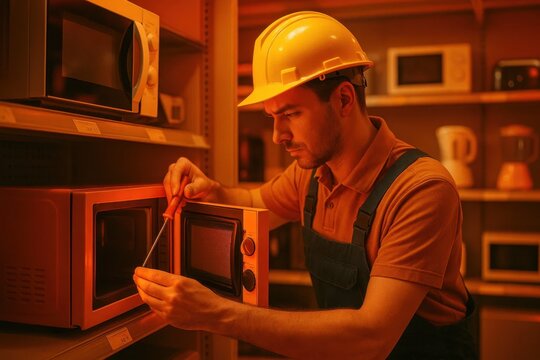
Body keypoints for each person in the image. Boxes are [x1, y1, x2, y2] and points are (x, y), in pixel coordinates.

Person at [133, 11, 476, 359]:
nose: (278, 136)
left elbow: (372, 338)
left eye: (290, 115)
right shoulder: (311, 173)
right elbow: (252, 201)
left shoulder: (420, 190)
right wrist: (208, 189)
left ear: (344, 99)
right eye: (272, 118)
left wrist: (214, 313)